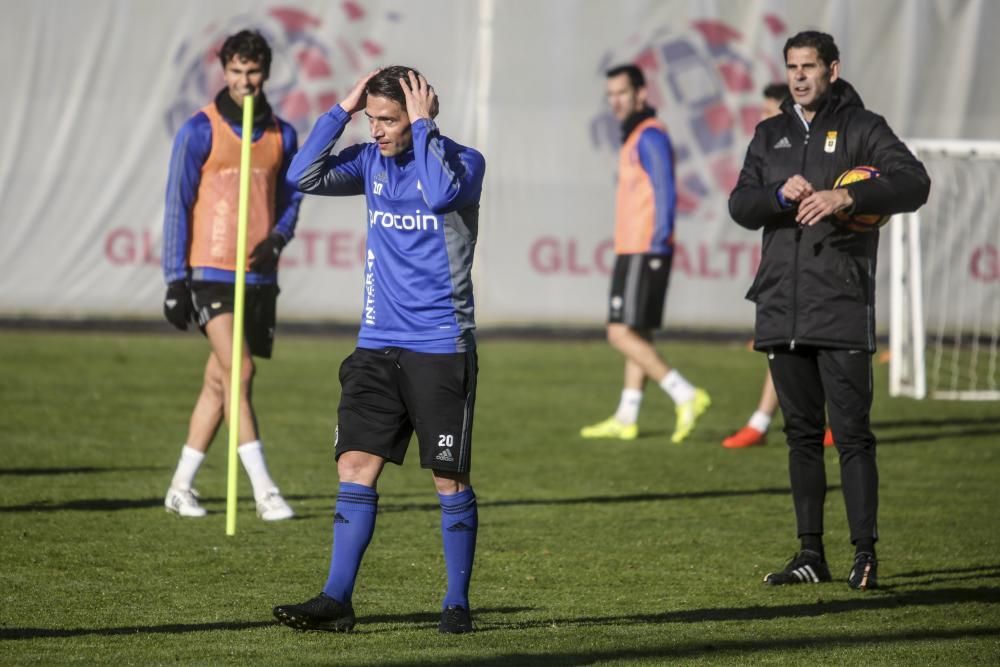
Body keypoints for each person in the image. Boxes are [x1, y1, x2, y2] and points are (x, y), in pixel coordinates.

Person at [272, 66, 485, 634]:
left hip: (440, 347)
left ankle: (457, 602)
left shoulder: (463, 162)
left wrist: (425, 128)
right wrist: (343, 108)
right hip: (375, 345)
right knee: (355, 466)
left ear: (418, 113)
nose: (378, 131)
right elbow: (302, 174)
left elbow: (440, 195)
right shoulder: (369, 161)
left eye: (388, 120)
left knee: (448, 478)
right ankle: (337, 599)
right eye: (372, 119)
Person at [729, 31, 930, 590]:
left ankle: (864, 553)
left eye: (809, 67)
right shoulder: (770, 134)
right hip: (780, 306)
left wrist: (849, 197)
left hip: (840, 301)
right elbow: (740, 204)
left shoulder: (864, 127)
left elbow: (915, 183)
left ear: (832, 69)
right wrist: (776, 196)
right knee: (799, 435)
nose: (799, 77)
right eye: (792, 67)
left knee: (852, 435)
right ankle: (809, 553)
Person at [161, 30, 302, 521]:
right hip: (209, 272)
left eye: (253, 71)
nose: (245, 80)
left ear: (265, 73)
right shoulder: (199, 130)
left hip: (258, 277)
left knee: (220, 385)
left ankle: (180, 486)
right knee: (240, 370)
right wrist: (175, 279)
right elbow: (177, 204)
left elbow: (292, 198)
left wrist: (278, 238)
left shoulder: (283, 134)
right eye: (236, 71)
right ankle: (265, 491)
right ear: (224, 71)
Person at [580, 64, 710, 445]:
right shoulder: (636, 134)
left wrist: (658, 244)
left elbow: (666, 191)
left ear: (641, 94)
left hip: (645, 248)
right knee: (636, 332)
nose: (615, 101)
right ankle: (627, 415)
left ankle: (684, 393)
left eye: (622, 93)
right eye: (611, 95)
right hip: (634, 247)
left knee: (619, 333)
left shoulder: (650, 135)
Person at [722, 83, 834, 450]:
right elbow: (742, 204)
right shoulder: (770, 149)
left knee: (815, 345)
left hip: (822, 271)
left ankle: (825, 419)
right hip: (784, 269)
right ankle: (763, 421)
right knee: (788, 344)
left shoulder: (823, 147)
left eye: (770, 111)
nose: (764, 119)